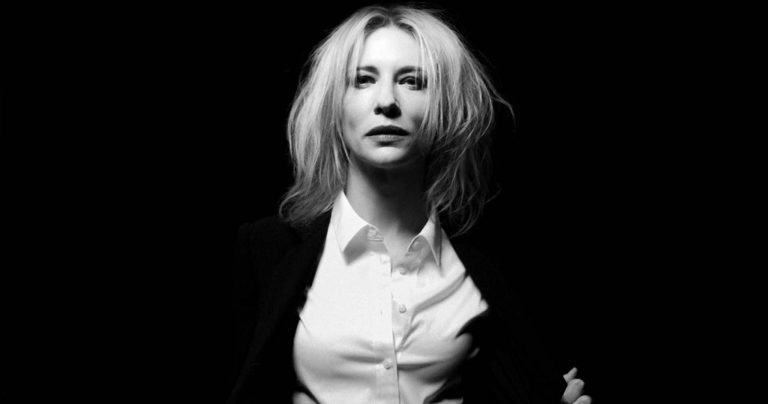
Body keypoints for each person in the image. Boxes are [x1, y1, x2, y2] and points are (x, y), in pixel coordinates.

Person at [228, 4, 592, 403]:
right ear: (334, 106)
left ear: (444, 107)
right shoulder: (266, 251)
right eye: (363, 80)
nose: (387, 101)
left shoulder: (488, 264)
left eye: (412, 82)